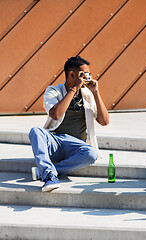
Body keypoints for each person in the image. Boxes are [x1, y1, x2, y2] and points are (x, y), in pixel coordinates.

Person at [28, 56, 109, 192]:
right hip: (56, 141)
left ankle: (47, 172)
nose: (87, 77)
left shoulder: (88, 95)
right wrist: (73, 89)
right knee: (35, 131)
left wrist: (96, 93)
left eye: (88, 74)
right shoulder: (53, 91)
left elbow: (104, 121)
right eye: (84, 74)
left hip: (77, 146)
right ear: (72, 74)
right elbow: (55, 114)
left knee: (91, 153)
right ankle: (49, 176)